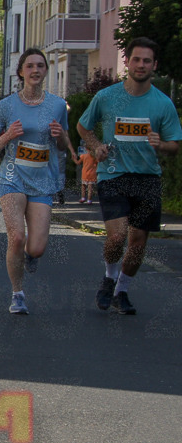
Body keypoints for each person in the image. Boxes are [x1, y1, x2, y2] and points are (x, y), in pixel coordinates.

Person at [77, 37, 182, 315]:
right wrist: (96, 146)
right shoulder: (107, 97)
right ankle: (109, 278)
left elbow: (175, 146)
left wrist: (162, 145)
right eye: (136, 59)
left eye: (147, 61)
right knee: (117, 236)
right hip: (113, 174)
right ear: (127, 61)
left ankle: (121, 291)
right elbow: (83, 127)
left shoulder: (163, 104)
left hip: (147, 178)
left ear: (154, 65)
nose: (141, 65)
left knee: (138, 242)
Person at [0, 48, 70, 315]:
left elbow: (64, 146)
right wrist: (8, 135)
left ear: (45, 71)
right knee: (17, 237)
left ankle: (31, 257)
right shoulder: (6, 106)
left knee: (37, 247)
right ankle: (17, 293)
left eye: (40, 66)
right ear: (21, 72)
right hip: (12, 177)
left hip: (42, 180)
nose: (35, 70)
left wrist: (59, 137)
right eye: (29, 66)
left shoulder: (56, 105)